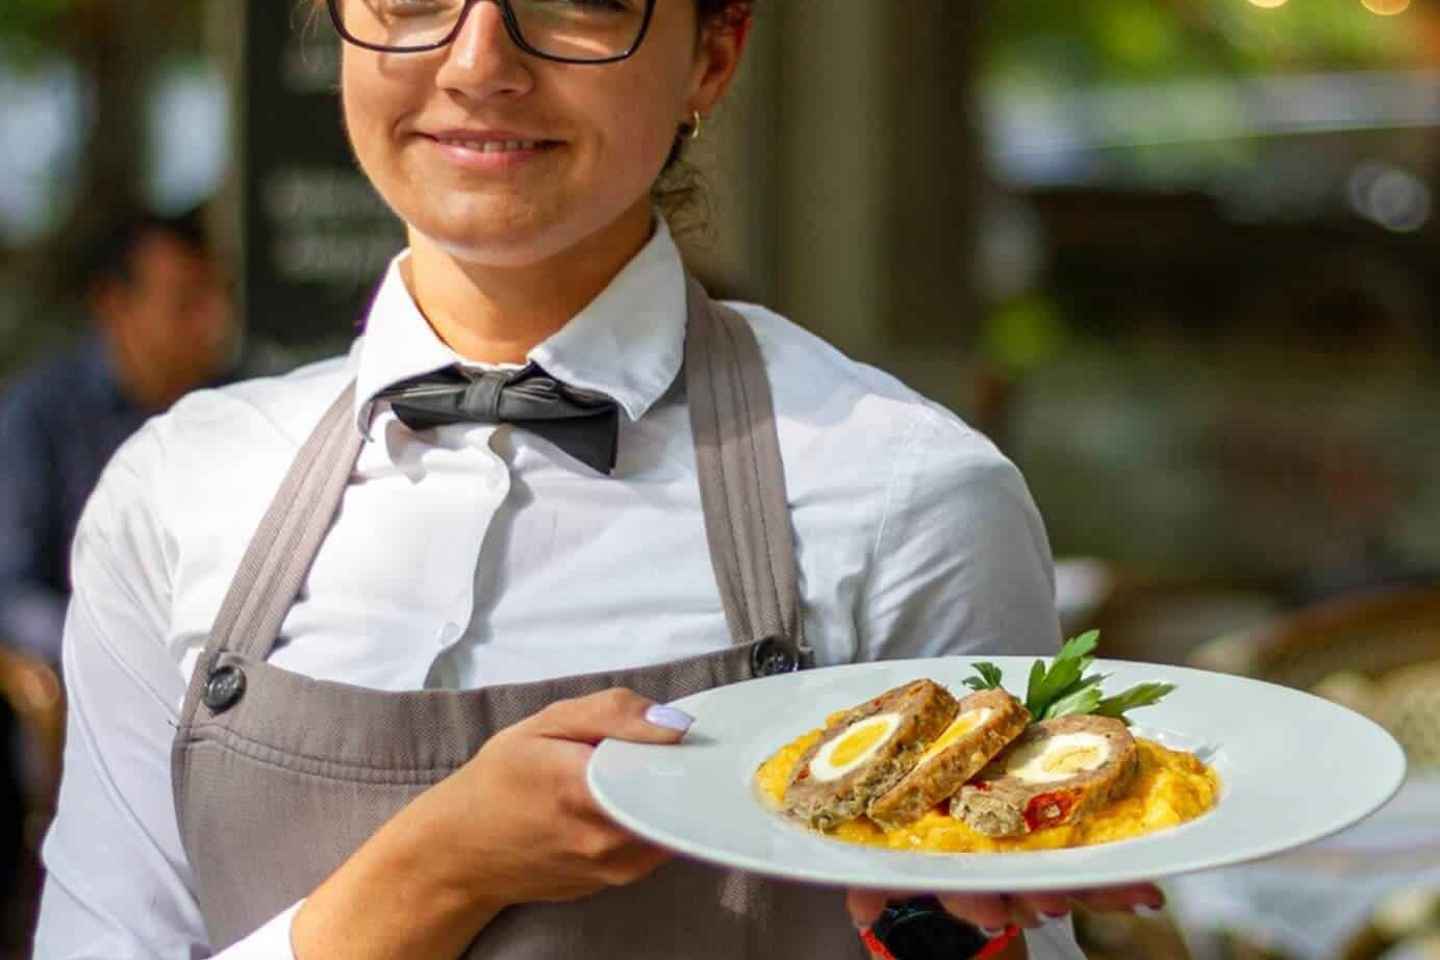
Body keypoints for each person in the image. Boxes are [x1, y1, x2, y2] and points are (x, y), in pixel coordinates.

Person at [33, 2, 1163, 958]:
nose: (479, 62)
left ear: (710, 58)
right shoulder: (178, 493)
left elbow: (983, 929)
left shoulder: (908, 499)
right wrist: (429, 878)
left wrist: (938, 931)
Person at [0, 209, 238, 666]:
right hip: (83, 679)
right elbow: (12, 590)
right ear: (114, 305)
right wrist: (108, 644)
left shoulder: (239, 402)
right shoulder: (39, 415)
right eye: (186, 303)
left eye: (219, 298)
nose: (215, 324)